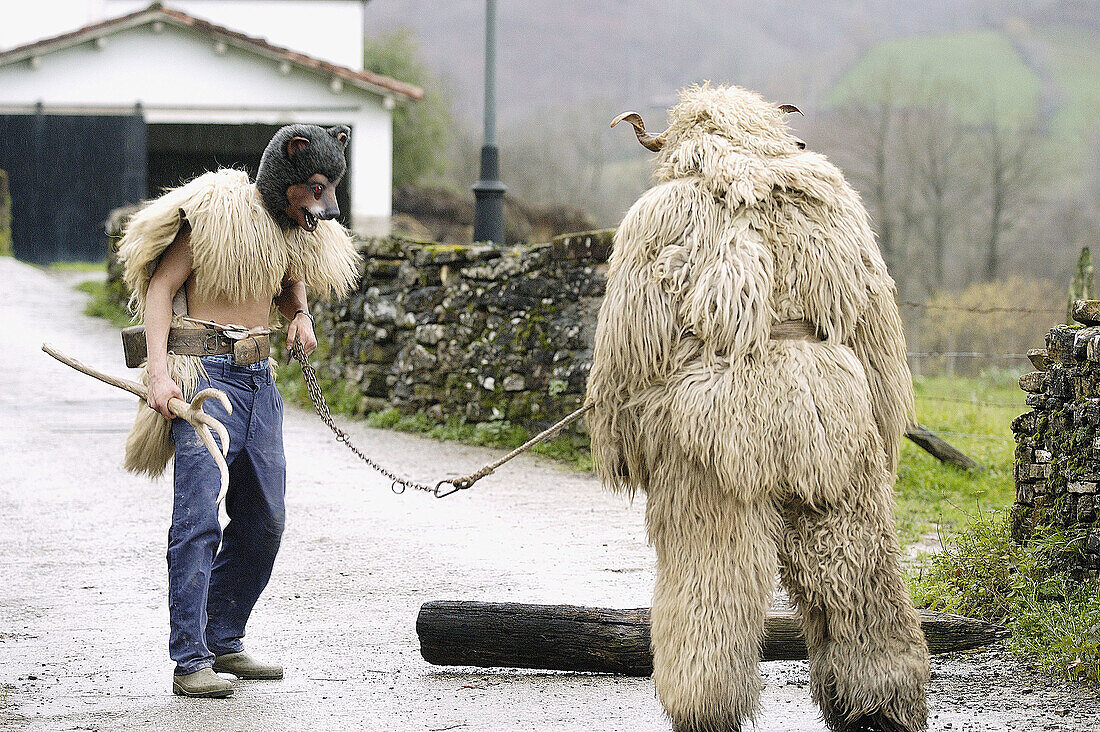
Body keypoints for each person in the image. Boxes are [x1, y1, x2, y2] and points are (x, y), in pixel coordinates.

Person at [116, 124, 360, 698]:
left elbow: (289, 276)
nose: (323, 204)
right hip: (204, 380)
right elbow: (159, 288)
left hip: (260, 380)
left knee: (264, 521)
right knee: (197, 520)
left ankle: (224, 639)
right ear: (289, 168)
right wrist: (157, 373)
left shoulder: (293, 228)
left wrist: (298, 312)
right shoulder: (217, 214)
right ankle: (190, 661)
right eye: (315, 188)